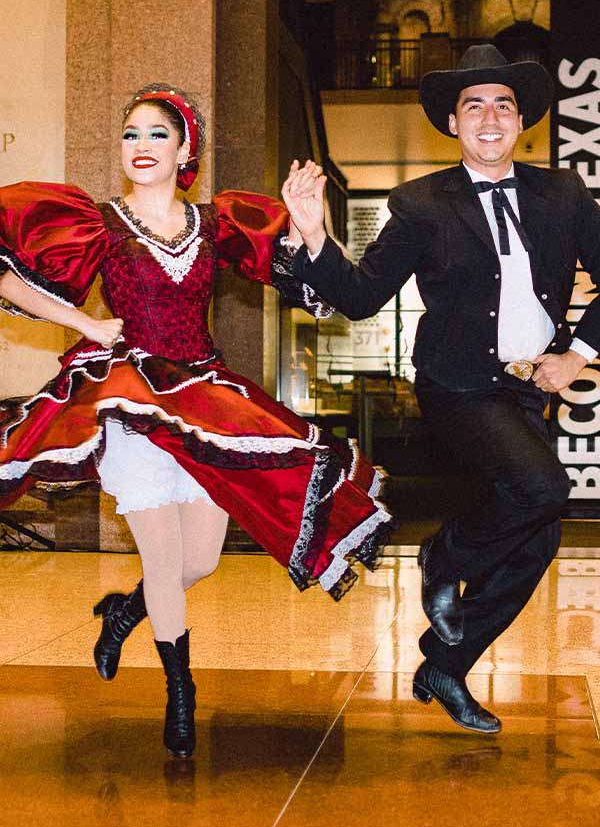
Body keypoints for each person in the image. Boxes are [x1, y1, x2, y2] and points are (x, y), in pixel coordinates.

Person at [0, 83, 392, 758]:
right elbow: (9, 278)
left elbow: (309, 284)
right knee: (161, 553)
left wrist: (307, 225)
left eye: (157, 134)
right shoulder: (97, 223)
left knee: (200, 559)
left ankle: (127, 610)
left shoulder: (218, 225)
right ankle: (180, 693)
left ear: (186, 151)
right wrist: (85, 321)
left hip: (206, 400)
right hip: (127, 395)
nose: (141, 146)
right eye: (131, 134)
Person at [284, 44, 600, 734]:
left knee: (537, 541)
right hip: (455, 383)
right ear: (454, 123)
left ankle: (444, 666)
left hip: (526, 387)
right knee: (547, 490)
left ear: (523, 122)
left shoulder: (564, 195)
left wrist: (575, 356)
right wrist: (315, 236)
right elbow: (363, 297)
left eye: (503, 105)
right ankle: (442, 555)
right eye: (474, 106)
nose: (490, 118)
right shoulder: (423, 202)